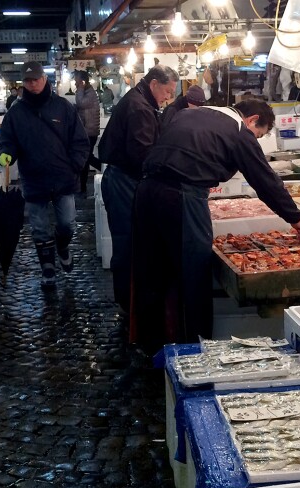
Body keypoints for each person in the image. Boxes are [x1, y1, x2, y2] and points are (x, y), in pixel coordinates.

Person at [131, 100, 300, 353]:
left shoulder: (188, 114)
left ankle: (149, 346)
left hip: (146, 192)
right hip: (181, 197)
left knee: (152, 271)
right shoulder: (239, 131)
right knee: (193, 273)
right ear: (251, 120)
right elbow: (264, 180)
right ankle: (195, 350)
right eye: (258, 134)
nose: (255, 140)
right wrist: (295, 217)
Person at [0, 61, 90, 289]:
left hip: (63, 179)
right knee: (39, 229)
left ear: (44, 79)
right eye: (28, 80)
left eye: (36, 79)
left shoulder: (63, 107)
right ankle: (47, 269)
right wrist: (5, 154)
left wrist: (74, 167)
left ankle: (62, 247)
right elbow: (7, 140)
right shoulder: (15, 113)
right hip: (34, 179)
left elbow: (80, 141)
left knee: (67, 224)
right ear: (23, 83)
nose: (33, 84)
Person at [97, 65, 178, 312]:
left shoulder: (141, 100)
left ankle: (132, 300)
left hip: (124, 177)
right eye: (166, 91)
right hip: (124, 181)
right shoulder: (140, 108)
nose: (168, 97)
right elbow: (142, 154)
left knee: (132, 241)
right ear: (154, 84)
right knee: (127, 242)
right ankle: (128, 303)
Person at [74, 71, 102, 193]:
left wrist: (79, 88)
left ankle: (107, 169)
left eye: (77, 81)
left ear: (83, 81)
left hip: (89, 132)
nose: (75, 83)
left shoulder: (90, 93)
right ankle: (83, 187)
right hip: (87, 131)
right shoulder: (88, 93)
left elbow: (81, 103)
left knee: (86, 158)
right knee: (86, 158)